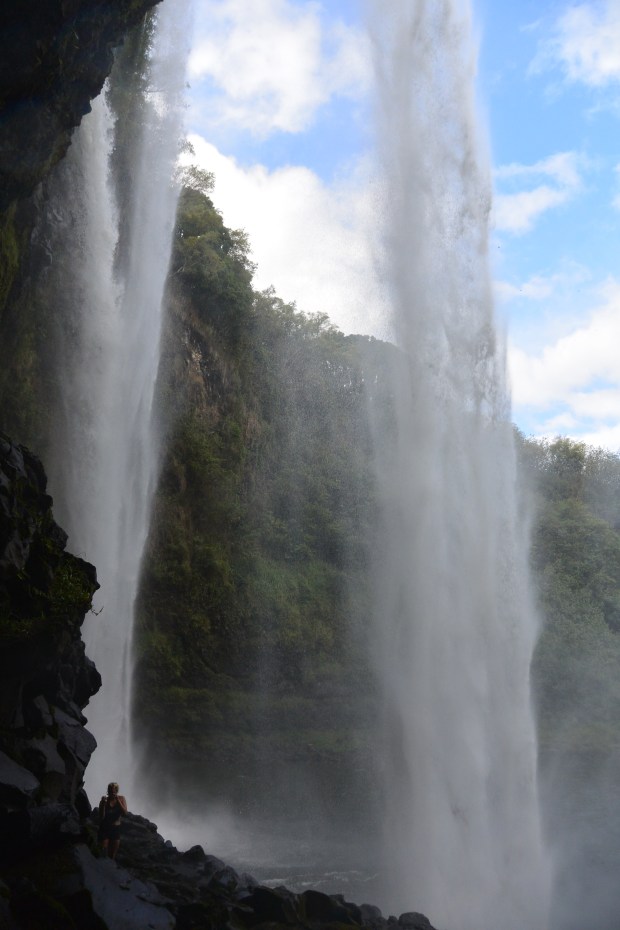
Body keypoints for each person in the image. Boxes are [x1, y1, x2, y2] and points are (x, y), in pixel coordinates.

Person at [98, 782, 127, 859]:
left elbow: (125, 813)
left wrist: (118, 801)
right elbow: (101, 817)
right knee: (103, 851)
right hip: (105, 828)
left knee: (112, 855)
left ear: (116, 791)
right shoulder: (104, 801)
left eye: (113, 791)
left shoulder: (121, 798)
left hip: (115, 829)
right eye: (110, 791)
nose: (111, 793)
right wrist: (103, 804)